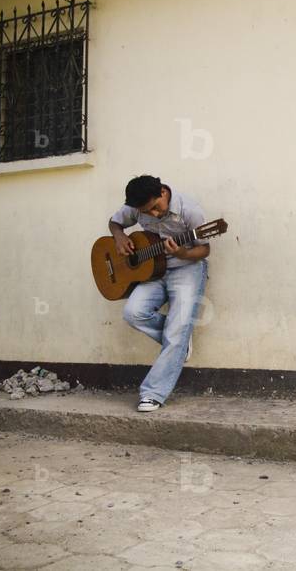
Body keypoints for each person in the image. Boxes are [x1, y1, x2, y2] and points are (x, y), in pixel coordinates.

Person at [108, 175, 210, 412]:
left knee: (177, 330)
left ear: (163, 192)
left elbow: (204, 249)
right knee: (133, 313)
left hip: (187, 268)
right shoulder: (138, 206)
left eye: (156, 207)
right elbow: (115, 223)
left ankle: (153, 393)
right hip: (153, 270)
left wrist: (183, 254)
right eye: (146, 212)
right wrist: (120, 236)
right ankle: (180, 343)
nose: (152, 214)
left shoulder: (189, 210)